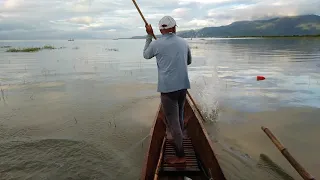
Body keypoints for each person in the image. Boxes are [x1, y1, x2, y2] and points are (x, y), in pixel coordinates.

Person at [143, 16, 192, 165]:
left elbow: (146, 55)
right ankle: (178, 139)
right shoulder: (184, 42)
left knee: (174, 122)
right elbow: (188, 61)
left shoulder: (156, 44)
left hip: (168, 89)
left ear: (160, 29)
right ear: (174, 28)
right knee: (180, 114)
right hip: (183, 86)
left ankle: (180, 155)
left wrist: (148, 36)